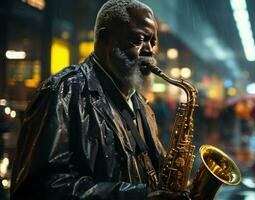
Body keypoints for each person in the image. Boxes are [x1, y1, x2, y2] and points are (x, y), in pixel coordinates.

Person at [10, 1, 189, 199]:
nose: (149, 51)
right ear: (105, 38)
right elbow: (39, 188)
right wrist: (138, 196)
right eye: (137, 39)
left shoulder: (140, 103)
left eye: (152, 42)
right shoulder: (62, 92)